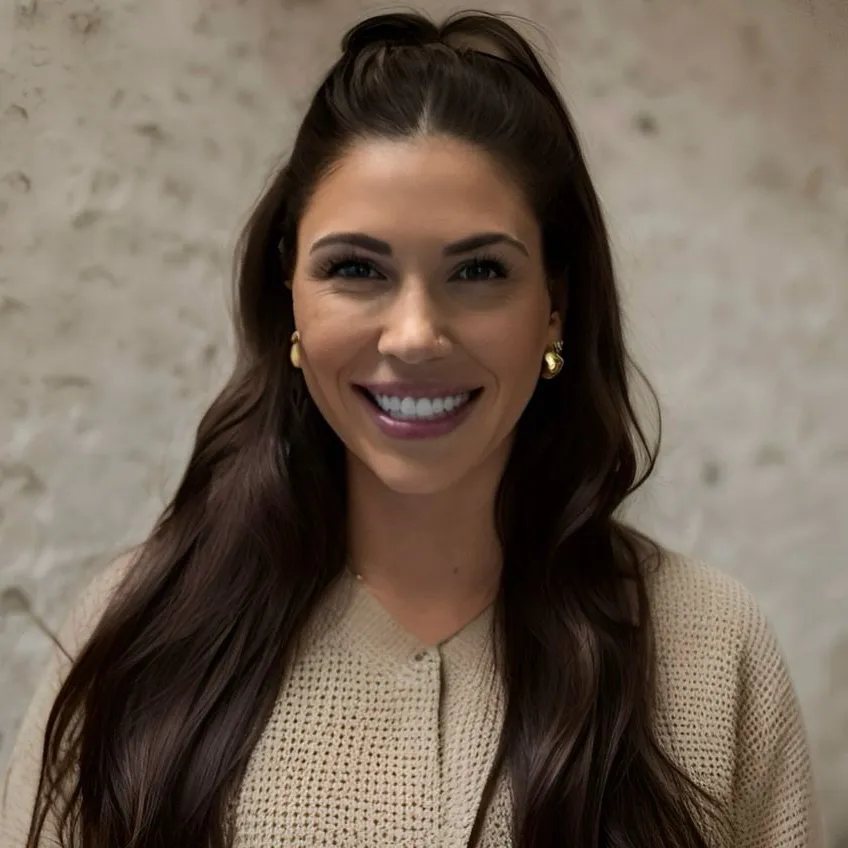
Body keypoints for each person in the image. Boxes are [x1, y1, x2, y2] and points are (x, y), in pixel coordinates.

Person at [0, 9, 823, 848]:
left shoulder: (712, 649)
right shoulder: (141, 636)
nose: (415, 335)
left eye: (479, 271)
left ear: (555, 307)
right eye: (356, 269)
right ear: (290, 291)